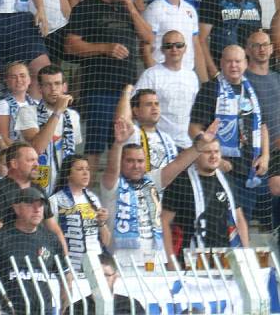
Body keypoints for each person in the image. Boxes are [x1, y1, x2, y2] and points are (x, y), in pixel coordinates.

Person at [64, 0, 153, 175]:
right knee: (95, 146)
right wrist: (105, 48)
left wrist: (131, 6)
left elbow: (149, 37)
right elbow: (70, 45)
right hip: (99, 88)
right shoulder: (86, 8)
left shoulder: (127, 7)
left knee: (125, 146)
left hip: (127, 89)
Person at [100, 117, 219, 269]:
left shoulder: (152, 181)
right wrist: (118, 144)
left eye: (140, 161)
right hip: (123, 265)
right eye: (130, 161)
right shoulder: (112, 186)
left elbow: (178, 163)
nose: (136, 166)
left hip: (154, 262)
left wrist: (200, 146)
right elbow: (111, 170)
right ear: (121, 163)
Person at [190, 44, 269, 221]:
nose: (234, 66)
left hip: (249, 171)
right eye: (229, 61)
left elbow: (262, 125)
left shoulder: (252, 89)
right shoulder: (210, 90)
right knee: (221, 224)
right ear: (221, 63)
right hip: (220, 170)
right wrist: (216, 159)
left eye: (238, 61)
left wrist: (265, 156)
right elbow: (194, 129)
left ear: (246, 63)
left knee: (243, 223)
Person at [162, 138, 249, 261]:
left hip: (224, 257)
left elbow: (239, 219)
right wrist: (170, 260)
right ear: (196, 155)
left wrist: (246, 253)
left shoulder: (227, 181)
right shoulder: (180, 183)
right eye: (207, 152)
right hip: (190, 258)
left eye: (216, 151)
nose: (213, 156)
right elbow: (164, 222)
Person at [0, 185, 61, 314]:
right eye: (30, 204)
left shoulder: (51, 239)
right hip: (8, 311)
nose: (37, 209)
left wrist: (63, 308)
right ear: (16, 208)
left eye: (40, 205)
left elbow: (65, 276)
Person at [0, 141, 67, 255]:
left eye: (36, 160)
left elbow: (54, 229)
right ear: (14, 163)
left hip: (38, 253)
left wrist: (64, 260)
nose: (37, 164)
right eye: (30, 160)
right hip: (9, 258)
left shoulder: (39, 190)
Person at [16, 64, 82, 196]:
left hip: (65, 185)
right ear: (40, 88)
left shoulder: (73, 116)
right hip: (36, 185)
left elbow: (75, 156)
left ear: (65, 87)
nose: (53, 89)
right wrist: (57, 111)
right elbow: (37, 147)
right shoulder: (27, 111)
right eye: (48, 85)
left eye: (57, 84)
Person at [134, 31, 200, 149]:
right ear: (162, 50)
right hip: (159, 144)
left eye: (178, 45)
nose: (174, 49)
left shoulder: (192, 76)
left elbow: (195, 111)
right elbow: (134, 106)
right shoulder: (151, 75)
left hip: (187, 144)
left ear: (185, 48)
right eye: (168, 46)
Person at [143, 0, 205, 78]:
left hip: (187, 76)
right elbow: (146, 48)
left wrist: (205, 83)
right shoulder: (153, 9)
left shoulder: (190, 10)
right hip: (162, 75)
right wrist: (155, 79)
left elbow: (196, 47)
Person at [49, 153, 110, 273]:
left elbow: (106, 241)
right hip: (71, 261)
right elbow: (51, 236)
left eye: (87, 169)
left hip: (95, 258)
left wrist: (102, 223)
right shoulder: (55, 200)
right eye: (79, 169)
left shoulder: (93, 198)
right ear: (68, 174)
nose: (85, 173)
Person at [116, 86, 179, 168]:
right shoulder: (132, 132)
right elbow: (122, 119)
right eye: (148, 104)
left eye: (156, 104)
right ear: (136, 110)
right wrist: (127, 91)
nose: (154, 108)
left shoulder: (167, 138)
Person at [0, 62, 36, 146]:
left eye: (22, 76)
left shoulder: (36, 103)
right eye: (13, 77)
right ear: (7, 81)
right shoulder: (3, 104)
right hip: (15, 152)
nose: (19, 80)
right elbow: (3, 138)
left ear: (29, 79)